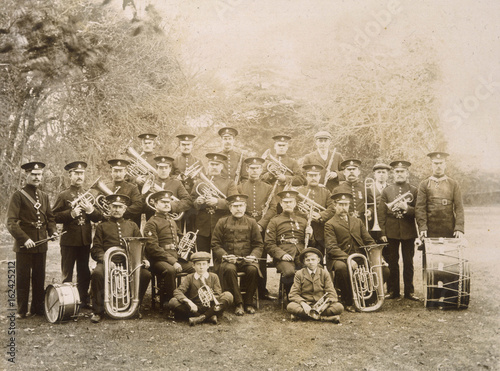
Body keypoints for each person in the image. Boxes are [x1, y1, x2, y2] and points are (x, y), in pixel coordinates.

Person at [7, 162, 58, 318]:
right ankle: (21, 311)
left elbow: (50, 218)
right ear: (26, 175)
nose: (37, 177)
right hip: (25, 245)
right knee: (23, 278)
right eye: (34, 174)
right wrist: (25, 239)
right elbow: (10, 222)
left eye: (39, 174)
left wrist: (53, 231)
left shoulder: (44, 196)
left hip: (41, 243)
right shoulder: (18, 195)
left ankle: (37, 308)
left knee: (39, 277)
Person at [89, 194, 151, 323]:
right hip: (108, 261)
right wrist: (106, 260)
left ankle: (135, 307)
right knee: (98, 274)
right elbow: (96, 250)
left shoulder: (132, 225)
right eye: (114, 207)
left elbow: (140, 245)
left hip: (128, 262)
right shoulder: (102, 226)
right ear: (109, 208)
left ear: (124, 209)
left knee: (145, 275)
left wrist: (143, 258)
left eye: (120, 207)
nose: (117, 210)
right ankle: (98, 311)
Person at [52, 161, 102, 308]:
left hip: (84, 239)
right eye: (76, 173)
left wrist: (90, 211)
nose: (80, 176)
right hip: (69, 240)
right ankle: (67, 302)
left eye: (82, 173)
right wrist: (71, 214)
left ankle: (83, 299)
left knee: (84, 271)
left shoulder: (89, 194)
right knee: (67, 272)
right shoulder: (64, 195)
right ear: (70, 175)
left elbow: (98, 217)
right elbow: (54, 216)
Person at [324, 191, 379, 312]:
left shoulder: (357, 221)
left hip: (359, 256)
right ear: (335, 205)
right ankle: (348, 300)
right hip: (339, 258)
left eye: (346, 205)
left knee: (382, 269)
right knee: (341, 268)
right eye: (341, 205)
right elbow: (332, 248)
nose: (344, 208)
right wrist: (349, 259)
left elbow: (369, 240)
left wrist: (378, 257)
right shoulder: (329, 224)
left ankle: (368, 298)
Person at [212, 194, 264, 315]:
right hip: (228, 260)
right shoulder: (222, 222)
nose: (238, 209)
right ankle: (238, 303)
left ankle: (249, 302)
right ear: (230, 208)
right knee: (229, 269)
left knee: (253, 269)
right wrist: (224, 255)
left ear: (245, 207)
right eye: (235, 206)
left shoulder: (252, 222)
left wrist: (254, 256)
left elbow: (258, 244)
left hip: (246, 259)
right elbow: (215, 244)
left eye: (241, 206)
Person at [144, 190, 195, 312]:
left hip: (174, 257)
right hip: (158, 260)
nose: (167, 204)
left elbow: (180, 235)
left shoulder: (171, 220)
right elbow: (153, 248)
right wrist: (173, 261)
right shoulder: (151, 223)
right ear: (155, 204)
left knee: (194, 268)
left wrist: (188, 246)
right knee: (170, 270)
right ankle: (172, 301)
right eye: (163, 202)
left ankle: (191, 298)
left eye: (168, 202)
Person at [237, 157, 277, 300]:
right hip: (245, 225)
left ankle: (262, 290)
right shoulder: (240, 186)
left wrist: (261, 223)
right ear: (247, 169)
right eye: (251, 168)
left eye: (257, 168)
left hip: (262, 226)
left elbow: (273, 208)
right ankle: (244, 289)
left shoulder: (268, 188)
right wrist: (251, 223)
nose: (254, 171)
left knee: (261, 258)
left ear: (261, 170)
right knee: (245, 255)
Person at [378, 161, 419, 301]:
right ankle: (392, 291)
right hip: (391, 232)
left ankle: (409, 292)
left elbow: (418, 211)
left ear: (407, 174)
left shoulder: (414, 190)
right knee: (392, 262)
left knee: (409, 262)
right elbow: (381, 213)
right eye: (397, 172)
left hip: (408, 232)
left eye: (402, 172)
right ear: (393, 174)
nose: (400, 174)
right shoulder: (387, 190)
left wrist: (406, 208)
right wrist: (382, 233)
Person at [265, 190, 313, 295]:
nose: (288, 204)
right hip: (283, 255)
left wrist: (310, 234)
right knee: (289, 272)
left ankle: (307, 296)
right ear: (281, 204)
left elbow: (310, 243)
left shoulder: (303, 221)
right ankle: (291, 297)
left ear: (295, 203)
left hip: (300, 253)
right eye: (285, 202)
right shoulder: (274, 221)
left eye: (290, 202)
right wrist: (281, 255)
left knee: (312, 268)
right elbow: (269, 244)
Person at [169, 252, 233, 326]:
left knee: (228, 295)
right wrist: (189, 302)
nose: (201, 267)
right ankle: (210, 316)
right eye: (198, 264)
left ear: (208, 265)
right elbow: (177, 291)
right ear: (193, 266)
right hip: (195, 307)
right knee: (172, 301)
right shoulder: (190, 277)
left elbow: (218, 293)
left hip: (211, 306)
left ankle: (201, 317)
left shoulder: (214, 276)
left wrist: (211, 297)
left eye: (204, 264)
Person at [191, 153, 238, 252]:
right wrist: (197, 202)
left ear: (222, 166)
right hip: (202, 226)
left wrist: (217, 201)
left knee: (221, 258)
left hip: (222, 225)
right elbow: (191, 201)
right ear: (208, 165)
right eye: (212, 164)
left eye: (217, 164)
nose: (214, 167)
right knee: (203, 257)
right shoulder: (199, 182)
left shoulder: (229, 183)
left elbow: (234, 202)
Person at [415, 152, 465, 238]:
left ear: (445, 164)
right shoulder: (424, 184)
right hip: (429, 230)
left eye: (441, 163)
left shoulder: (453, 184)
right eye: (436, 163)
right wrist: (422, 227)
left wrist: (459, 228)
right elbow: (420, 208)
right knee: (430, 251)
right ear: (431, 165)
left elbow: (459, 207)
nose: (438, 166)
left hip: (449, 229)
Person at [287, 248, 344, 322]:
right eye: (308, 260)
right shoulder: (299, 274)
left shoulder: (324, 273)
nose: (311, 262)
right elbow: (293, 294)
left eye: (313, 259)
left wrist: (323, 307)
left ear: (318, 260)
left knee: (339, 307)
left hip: (321, 305)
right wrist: (303, 304)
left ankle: (303, 316)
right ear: (304, 262)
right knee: (291, 306)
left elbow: (331, 293)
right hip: (306, 304)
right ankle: (324, 318)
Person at [296, 164, 335, 256]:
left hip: (320, 231)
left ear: (320, 176)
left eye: (315, 175)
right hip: (303, 230)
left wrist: (320, 215)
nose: (313, 178)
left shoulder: (326, 192)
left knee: (319, 257)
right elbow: (295, 210)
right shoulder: (299, 192)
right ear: (306, 176)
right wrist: (307, 215)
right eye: (310, 175)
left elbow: (332, 209)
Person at [143, 155, 192, 222]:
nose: (164, 170)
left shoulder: (177, 183)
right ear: (156, 168)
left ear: (170, 169)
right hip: (153, 221)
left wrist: (171, 205)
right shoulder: (150, 182)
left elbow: (188, 201)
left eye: (166, 168)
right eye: (161, 168)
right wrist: (152, 203)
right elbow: (142, 203)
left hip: (172, 222)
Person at [103, 159, 143, 227]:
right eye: (115, 171)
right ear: (111, 172)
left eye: (120, 171)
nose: (118, 174)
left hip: (126, 225)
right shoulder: (105, 187)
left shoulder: (132, 188)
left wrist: (120, 211)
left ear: (125, 172)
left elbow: (138, 205)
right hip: (108, 224)